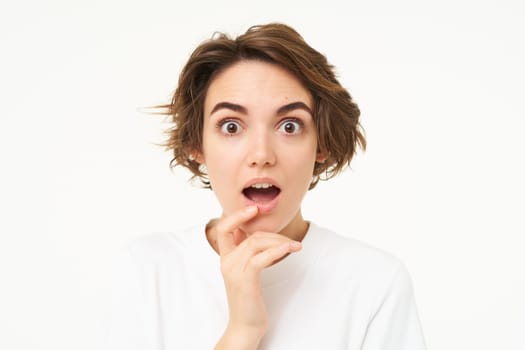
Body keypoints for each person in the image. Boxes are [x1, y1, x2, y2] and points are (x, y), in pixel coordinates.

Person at [107, 23, 427, 349]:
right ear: (197, 144)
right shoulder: (148, 270)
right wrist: (242, 332)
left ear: (321, 144)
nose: (261, 155)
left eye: (290, 126)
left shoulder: (375, 283)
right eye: (231, 126)